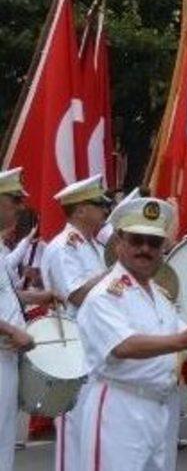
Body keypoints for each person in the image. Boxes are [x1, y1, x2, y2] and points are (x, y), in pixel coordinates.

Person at [75, 196, 187, 470]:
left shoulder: (159, 296)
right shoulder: (105, 295)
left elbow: (178, 343)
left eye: (154, 242)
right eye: (137, 240)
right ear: (119, 242)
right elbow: (124, 346)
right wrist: (182, 341)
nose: (145, 249)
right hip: (119, 409)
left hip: (159, 408)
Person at [39, 175, 110, 471]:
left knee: (94, 430)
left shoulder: (93, 246)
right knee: (74, 427)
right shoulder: (64, 246)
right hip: (73, 344)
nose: (104, 210)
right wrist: (116, 273)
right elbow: (77, 294)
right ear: (80, 210)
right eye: (98, 204)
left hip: (95, 343)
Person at [0, 169, 38, 469]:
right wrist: (12, 330)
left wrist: (41, 296)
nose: (20, 206)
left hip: (7, 356)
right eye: (14, 199)